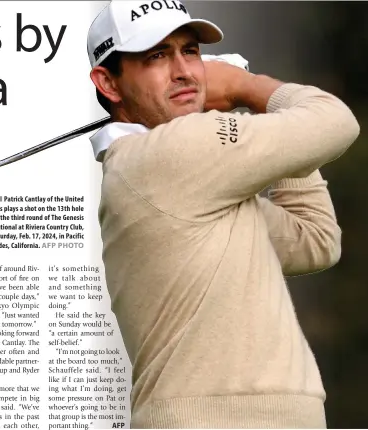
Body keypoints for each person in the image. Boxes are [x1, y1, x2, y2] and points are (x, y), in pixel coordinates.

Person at [87, 1, 360, 428]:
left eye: (190, 51)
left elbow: (314, 240)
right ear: (109, 82)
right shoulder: (167, 154)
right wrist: (249, 87)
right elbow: (336, 121)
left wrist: (262, 119)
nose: (183, 71)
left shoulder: (176, 174)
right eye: (156, 55)